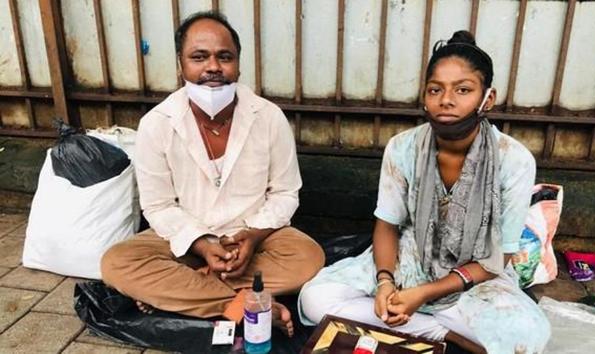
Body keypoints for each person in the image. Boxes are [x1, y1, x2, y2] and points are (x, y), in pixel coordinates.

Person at [299, 31, 550, 353]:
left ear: (488, 98)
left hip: (477, 274)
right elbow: (388, 225)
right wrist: (385, 282)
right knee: (314, 299)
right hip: (412, 255)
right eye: (436, 89)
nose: (446, 100)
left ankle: (422, 322)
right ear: (424, 95)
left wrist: (424, 294)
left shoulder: (513, 160)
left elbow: (498, 257)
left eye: (463, 90)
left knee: (526, 336)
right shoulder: (403, 147)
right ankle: (442, 332)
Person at [101, 11, 325, 336]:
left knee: (309, 259)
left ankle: (183, 290)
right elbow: (158, 206)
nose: (213, 68)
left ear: (239, 64)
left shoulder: (269, 117)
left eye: (225, 57)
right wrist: (203, 245)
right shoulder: (157, 123)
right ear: (181, 65)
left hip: (255, 238)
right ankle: (238, 304)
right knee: (117, 262)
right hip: (185, 241)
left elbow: (285, 193)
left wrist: (254, 235)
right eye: (199, 57)